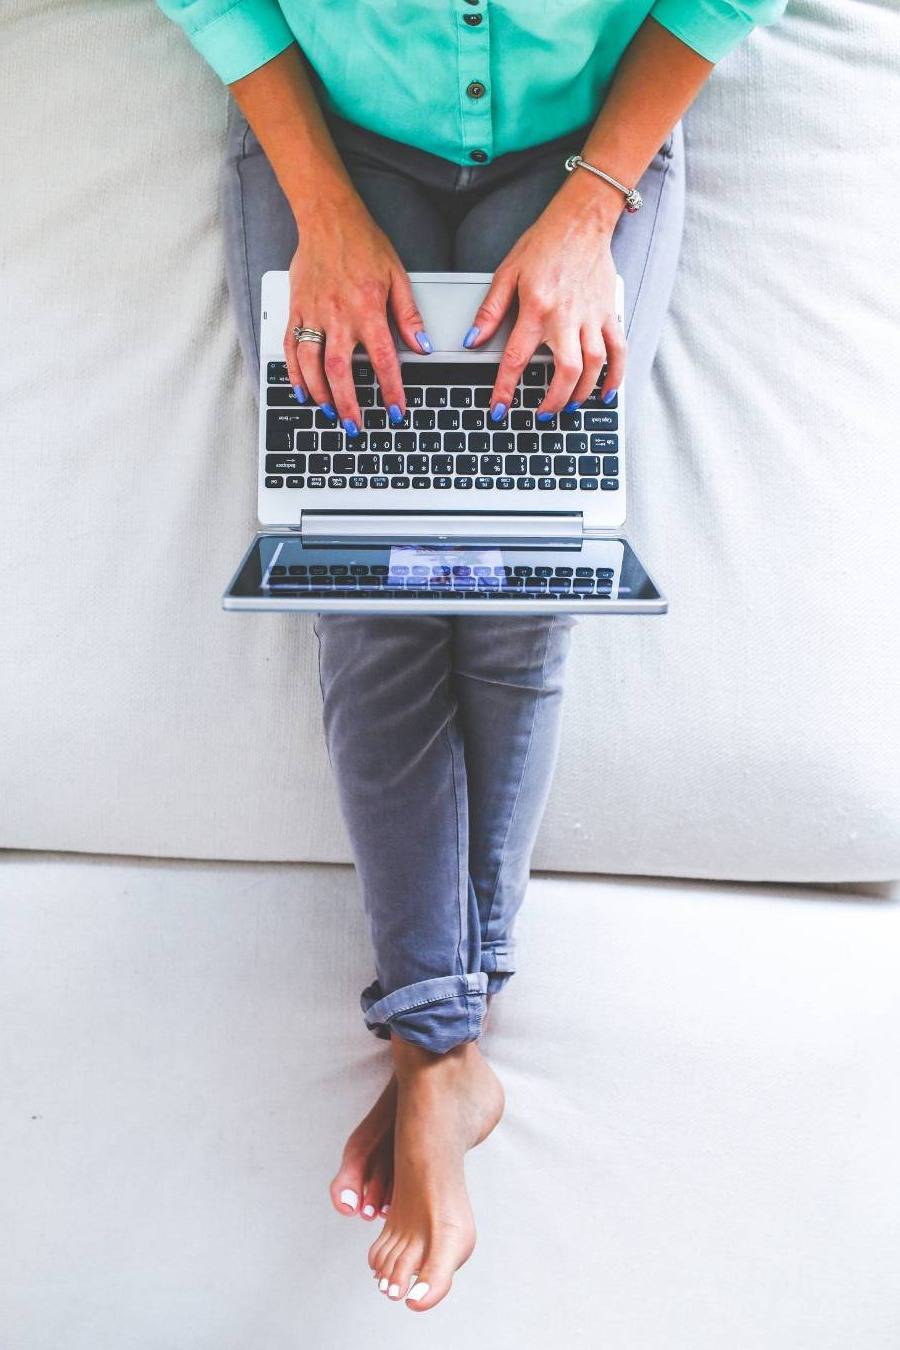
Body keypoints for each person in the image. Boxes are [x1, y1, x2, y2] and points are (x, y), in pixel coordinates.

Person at [156, 0, 787, 1312]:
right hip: (333, 135)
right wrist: (322, 209)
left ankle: (435, 1050)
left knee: (521, 566)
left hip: (585, 143)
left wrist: (594, 208)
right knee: (367, 574)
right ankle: (446, 1050)